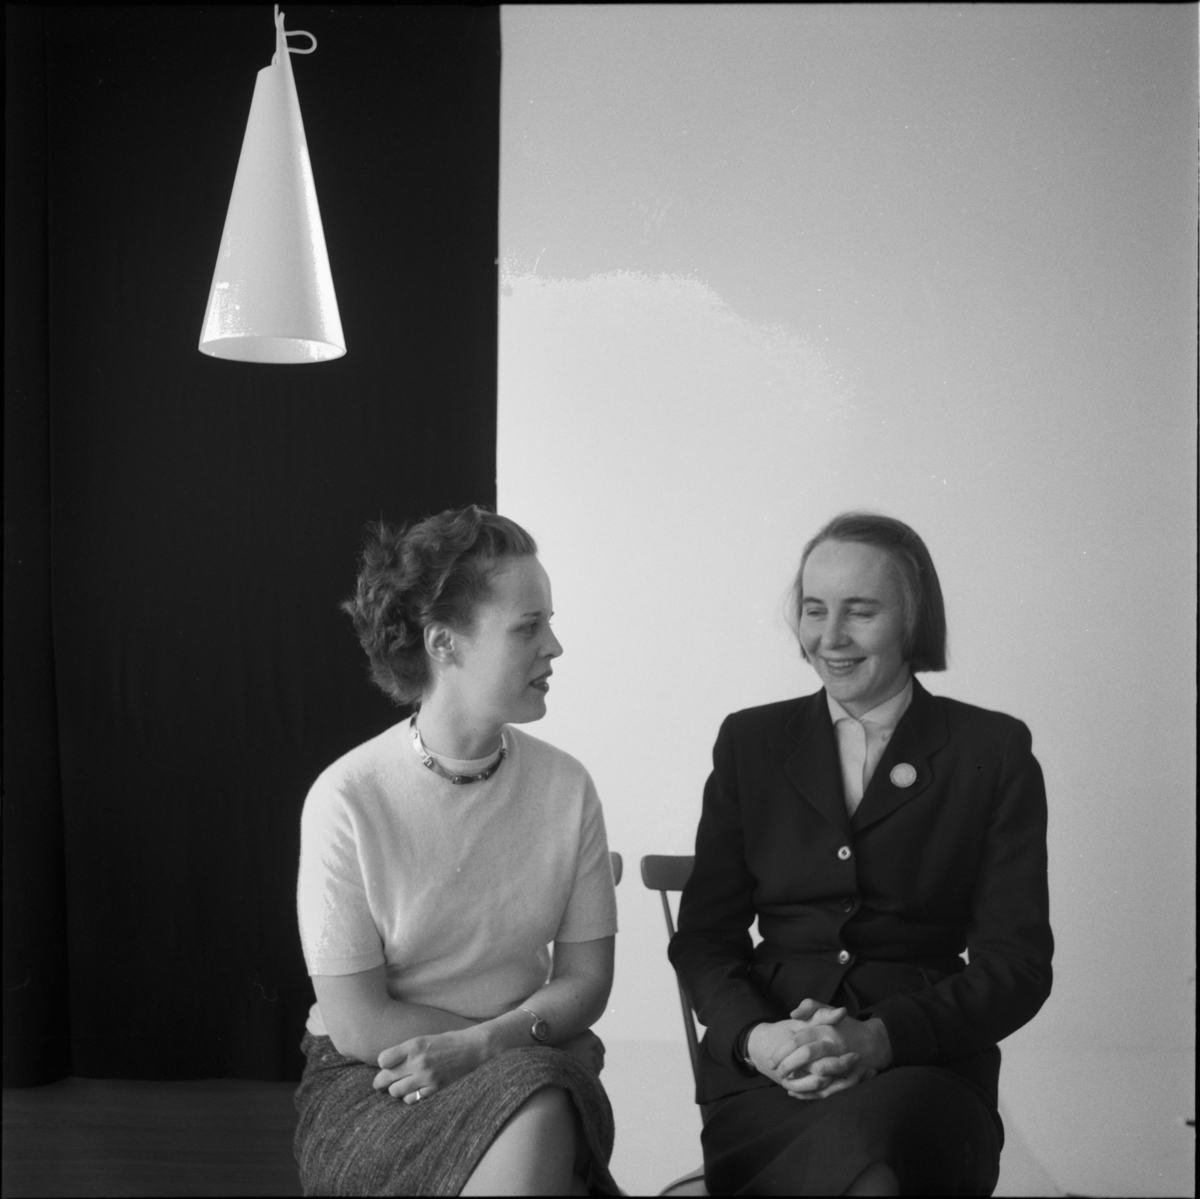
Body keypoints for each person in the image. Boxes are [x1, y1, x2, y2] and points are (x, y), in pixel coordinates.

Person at [669, 511, 1053, 1196]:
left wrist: (878, 1038)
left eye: (862, 611)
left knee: (883, 1143)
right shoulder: (750, 742)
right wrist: (759, 1037)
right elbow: (703, 937)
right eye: (814, 609)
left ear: (913, 619)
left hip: (925, 1068)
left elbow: (1017, 966)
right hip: (773, 1070)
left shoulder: (992, 750)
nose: (830, 637)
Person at [293, 506, 620, 1196]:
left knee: (540, 1096)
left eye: (550, 622)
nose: (555, 646)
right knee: (542, 1098)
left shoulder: (567, 787)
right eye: (528, 627)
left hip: (529, 1059)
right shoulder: (346, 798)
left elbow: (588, 980)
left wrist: (486, 1045)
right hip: (378, 1077)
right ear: (444, 643)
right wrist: (520, 1034)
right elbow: (357, 1022)